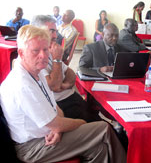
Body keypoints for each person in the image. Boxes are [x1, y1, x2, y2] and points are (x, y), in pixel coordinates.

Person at [0, 25, 126, 163]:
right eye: (36, 51)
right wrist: (79, 123)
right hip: (32, 147)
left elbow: (55, 107)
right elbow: (56, 123)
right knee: (103, 128)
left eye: (46, 49)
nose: (43, 55)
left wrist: (57, 129)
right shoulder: (22, 84)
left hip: (46, 134)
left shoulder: (37, 70)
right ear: (22, 53)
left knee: (98, 149)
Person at [31, 15, 101, 122]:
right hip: (61, 105)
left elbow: (71, 73)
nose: (56, 35)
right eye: (51, 31)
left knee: (98, 118)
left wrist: (65, 84)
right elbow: (54, 85)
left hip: (72, 96)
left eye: (55, 31)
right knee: (102, 127)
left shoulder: (49, 50)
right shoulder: (36, 57)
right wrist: (57, 60)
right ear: (37, 32)